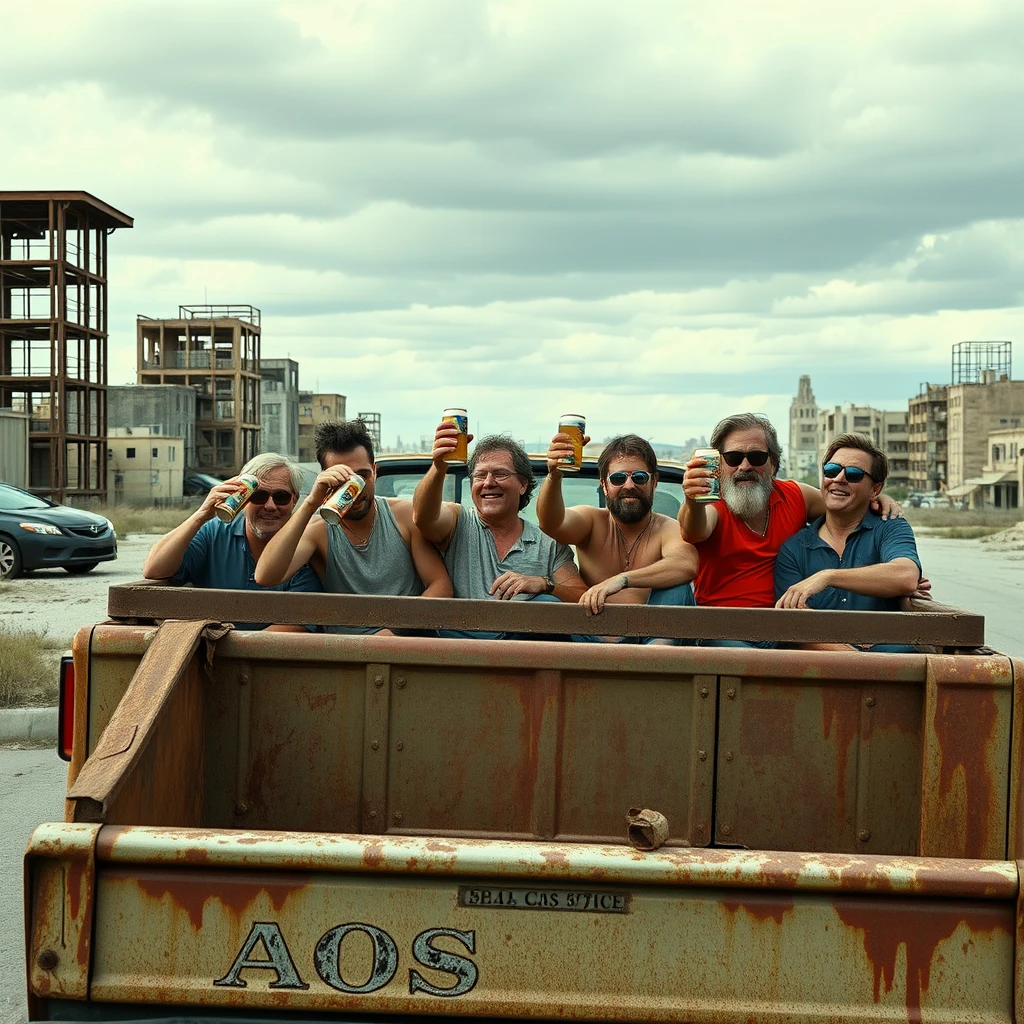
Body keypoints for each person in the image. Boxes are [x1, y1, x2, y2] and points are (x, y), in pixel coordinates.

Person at [679, 412, 901, 646]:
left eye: (756, 457)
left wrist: (875, 498)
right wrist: (693, 501)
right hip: (724, 633)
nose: (745, 466)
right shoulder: (710, 504)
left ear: (773, 462)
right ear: (720, 464)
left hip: (785, 631)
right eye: (733, 457)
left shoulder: (796, 496)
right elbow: (694, 530)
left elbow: (844, 504)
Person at [255, 420, 452, 634]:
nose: (355, 488)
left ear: (375, 471)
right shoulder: (319, 529)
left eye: (362, 476)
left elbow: (440, 586)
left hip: (403, 649)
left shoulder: (404, 516)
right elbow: (266, 576)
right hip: (348, 656)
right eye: (342, 479)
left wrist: (394, 630)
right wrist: (311, 502)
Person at [413, 425, 586, 637]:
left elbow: (581, 598)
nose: (488, 483)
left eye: (500, 474)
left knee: (546, 604)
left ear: (523, 485)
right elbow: (422, 517)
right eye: (480, 476)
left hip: (523, 658)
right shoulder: (458, 521)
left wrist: (543, 584)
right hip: (459, 653)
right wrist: (438, 468)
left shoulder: (548, 542)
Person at [537, 432, 698, 640]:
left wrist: (622, 580)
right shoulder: (592, 521)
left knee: (677, 586)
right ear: (604, 484)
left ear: (654, 482)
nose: (629, 486)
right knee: (545, 605)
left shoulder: (668, 528)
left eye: (639, 477)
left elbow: (686, 564)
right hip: (592, 640)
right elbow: (551, 523)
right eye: (618, 478)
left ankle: (654, 661)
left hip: (652, 638)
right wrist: (555, 475)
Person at [774, 433, 922, 652]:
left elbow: (905, 576)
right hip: (825, 674)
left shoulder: (890, 528)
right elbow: (794, 624)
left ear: (875, 490)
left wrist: (827, 577)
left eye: (854, 474)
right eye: (832, 470)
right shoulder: (794, 549)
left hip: (890, 672)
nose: (839, 479)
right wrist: (856, 661)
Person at [142, 452, 321, 631]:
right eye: (259, 496)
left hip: (264, 656)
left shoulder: (304, 545)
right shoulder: (214, 532)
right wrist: (201, 515)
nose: (270, 506)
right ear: (243, 499)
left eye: (281, 497)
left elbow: (297, 626)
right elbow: (153, 569)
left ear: (295, 500)